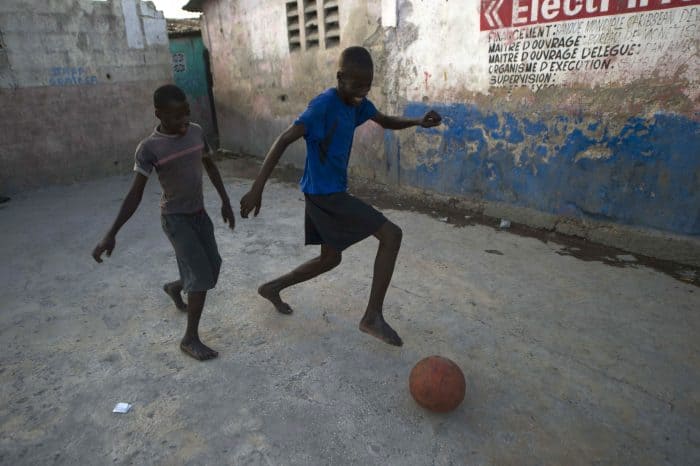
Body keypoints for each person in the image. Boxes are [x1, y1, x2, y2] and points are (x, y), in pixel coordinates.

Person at [240, 46, 442, 346]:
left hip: (323, 191)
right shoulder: (323, 105)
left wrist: (416, 122)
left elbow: (384, 120)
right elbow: (284, 138)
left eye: (367, 85)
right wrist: (257, 188)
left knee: (330, 258)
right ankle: (372, 316)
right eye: (356, 84)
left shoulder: (355, 103)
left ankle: (273, 287)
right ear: (339, 77)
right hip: (326, 195)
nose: (362, 91)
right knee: (391, 235)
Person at [92, 84, 235, 361]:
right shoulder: (149, 148)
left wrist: (225, 202)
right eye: (174, 116)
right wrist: (112, 233)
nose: (183, 122)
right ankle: (189, 339)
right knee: (202, 277)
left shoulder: (196, 132)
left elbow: (210, 166)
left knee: (212, 267)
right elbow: (135, 193)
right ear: (159, 115)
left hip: (199, 214)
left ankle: (174, 286)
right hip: (175, 219)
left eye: (186, 114)